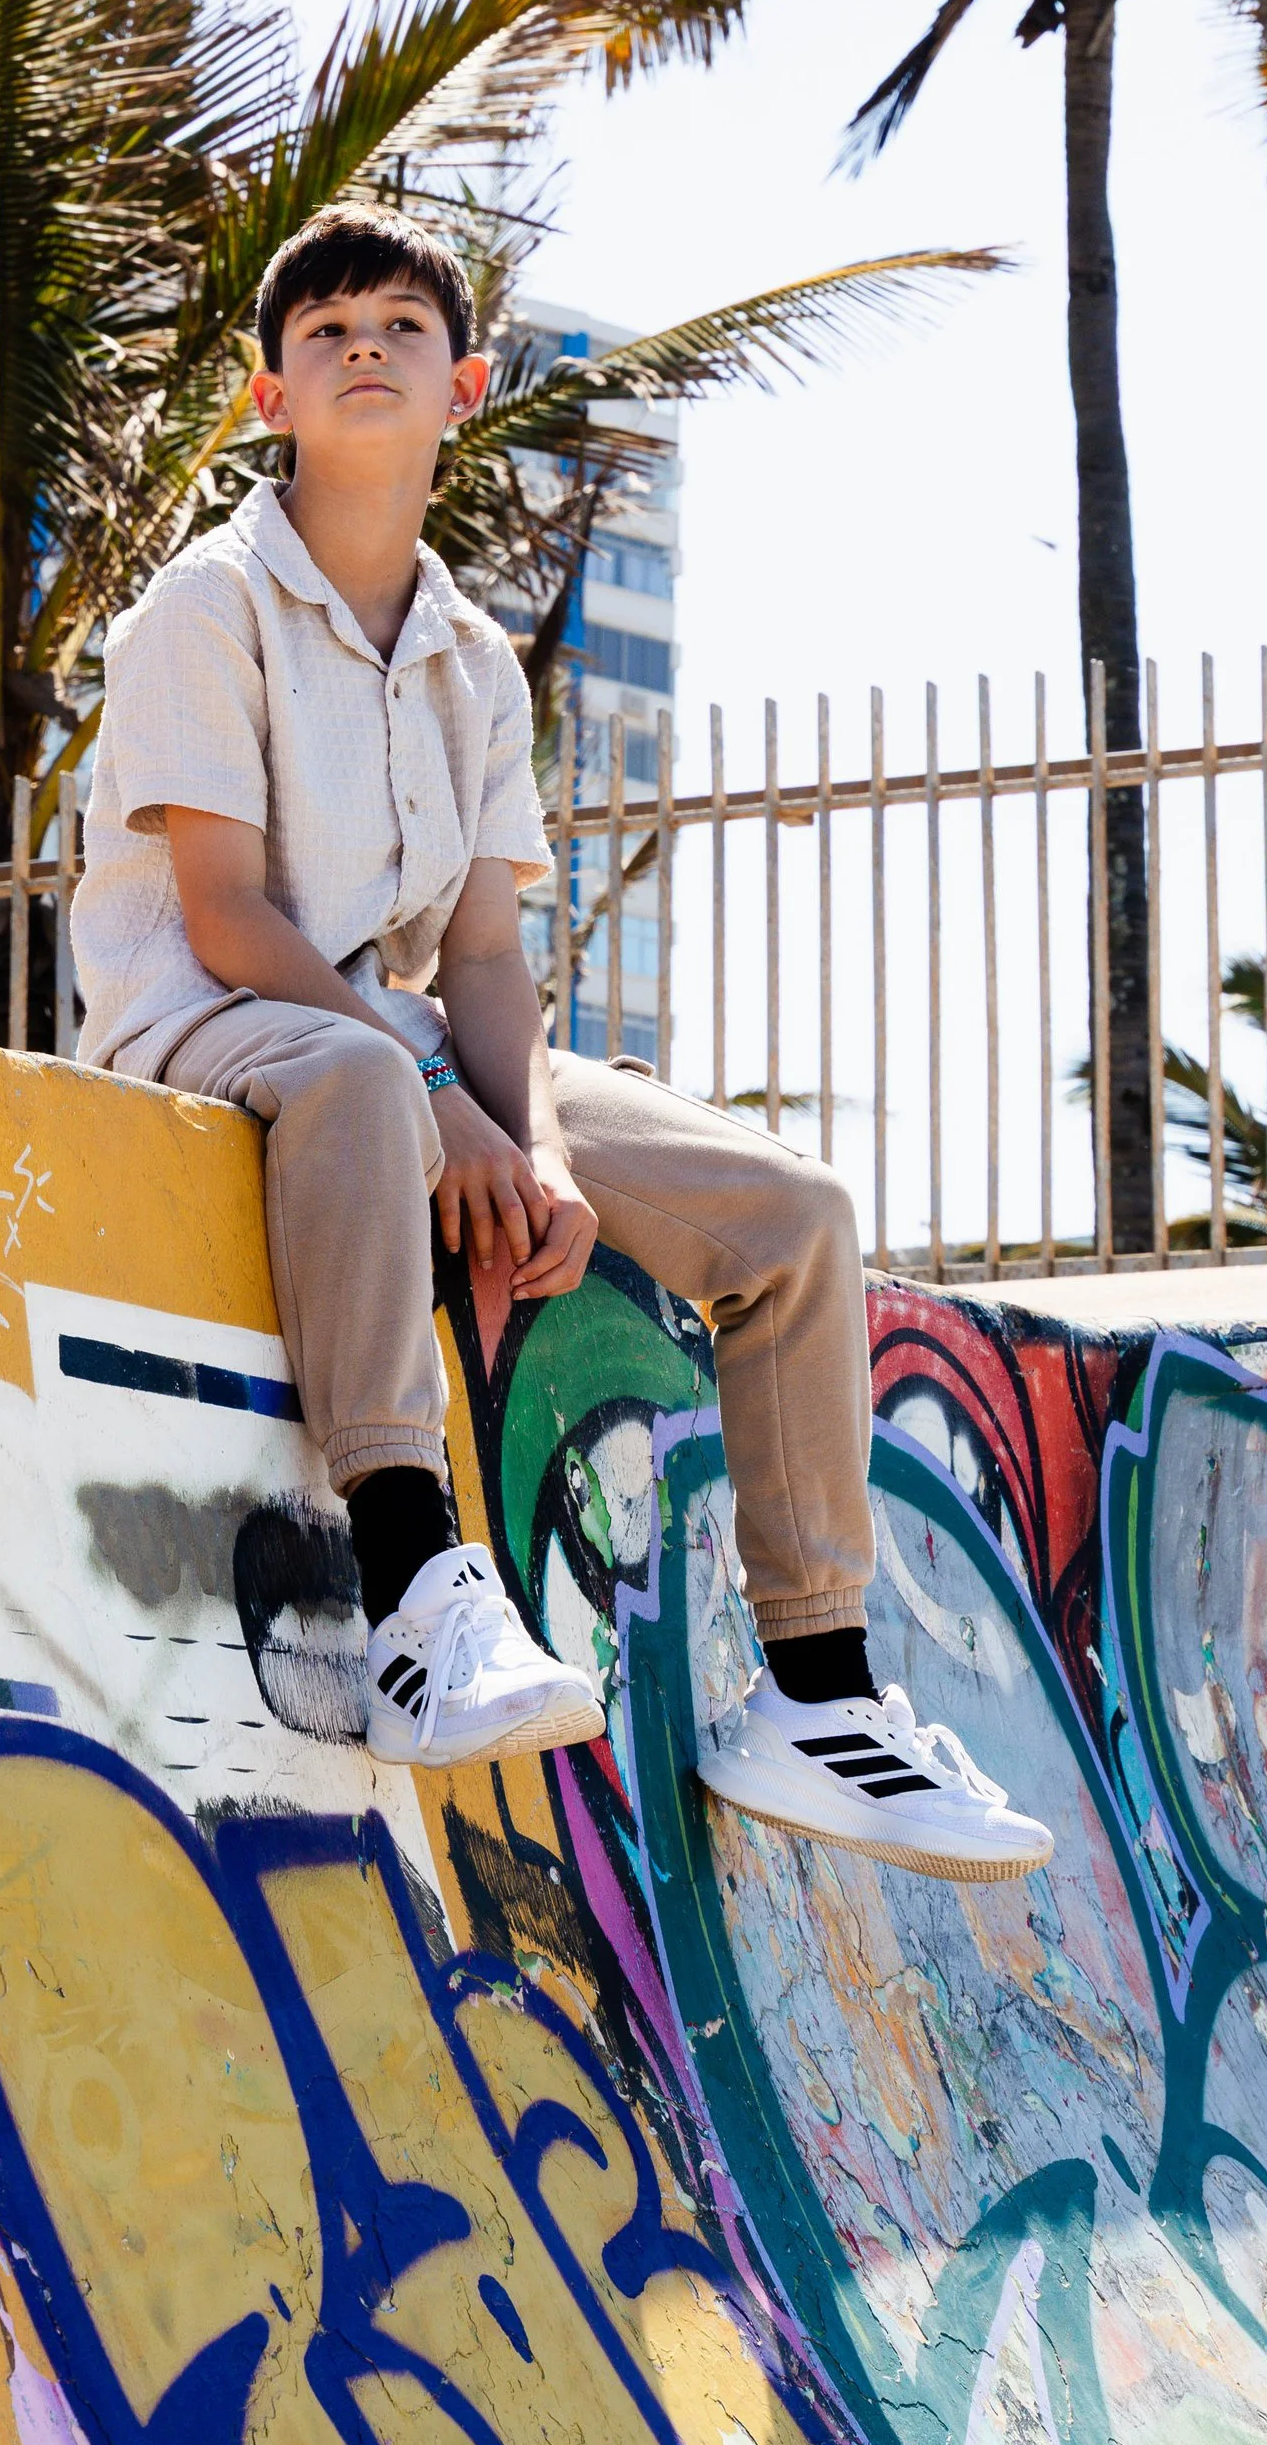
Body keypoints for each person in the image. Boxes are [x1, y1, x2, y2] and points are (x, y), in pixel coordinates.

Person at [69, 203, 1049, 1882]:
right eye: (325, 334)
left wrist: (529, 1145)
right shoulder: (205, 603)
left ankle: (818, 1690)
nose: (363, 347)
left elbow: (488, 951)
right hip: (204, 1025)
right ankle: (416, 1593)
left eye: (399, 328)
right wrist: (440, 1086)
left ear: (464, 390)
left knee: (794, 1209)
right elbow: (224, 916)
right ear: (264, 398)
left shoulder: (466, 663)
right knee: (375, 1072)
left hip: (398, 1042)